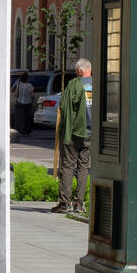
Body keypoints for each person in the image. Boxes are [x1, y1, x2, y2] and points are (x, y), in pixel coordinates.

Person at [54, 59, 93, 217]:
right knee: (83, 168)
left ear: (79, 71)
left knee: (68, 167)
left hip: (73, 133)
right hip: (90, 134)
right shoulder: (98, 85)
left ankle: (65, 203)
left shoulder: (74, 85)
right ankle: (79, 203)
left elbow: (64, 106)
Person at [12, 72, 34, 136]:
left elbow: (16, 94)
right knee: (27, 118)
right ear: (27, 78)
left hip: (19, 103)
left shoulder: (19, 85)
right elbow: (32, 95)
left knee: (20, 118)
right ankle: (26, 130)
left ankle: (20, 130)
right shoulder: (30, 85)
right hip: (28, 103)